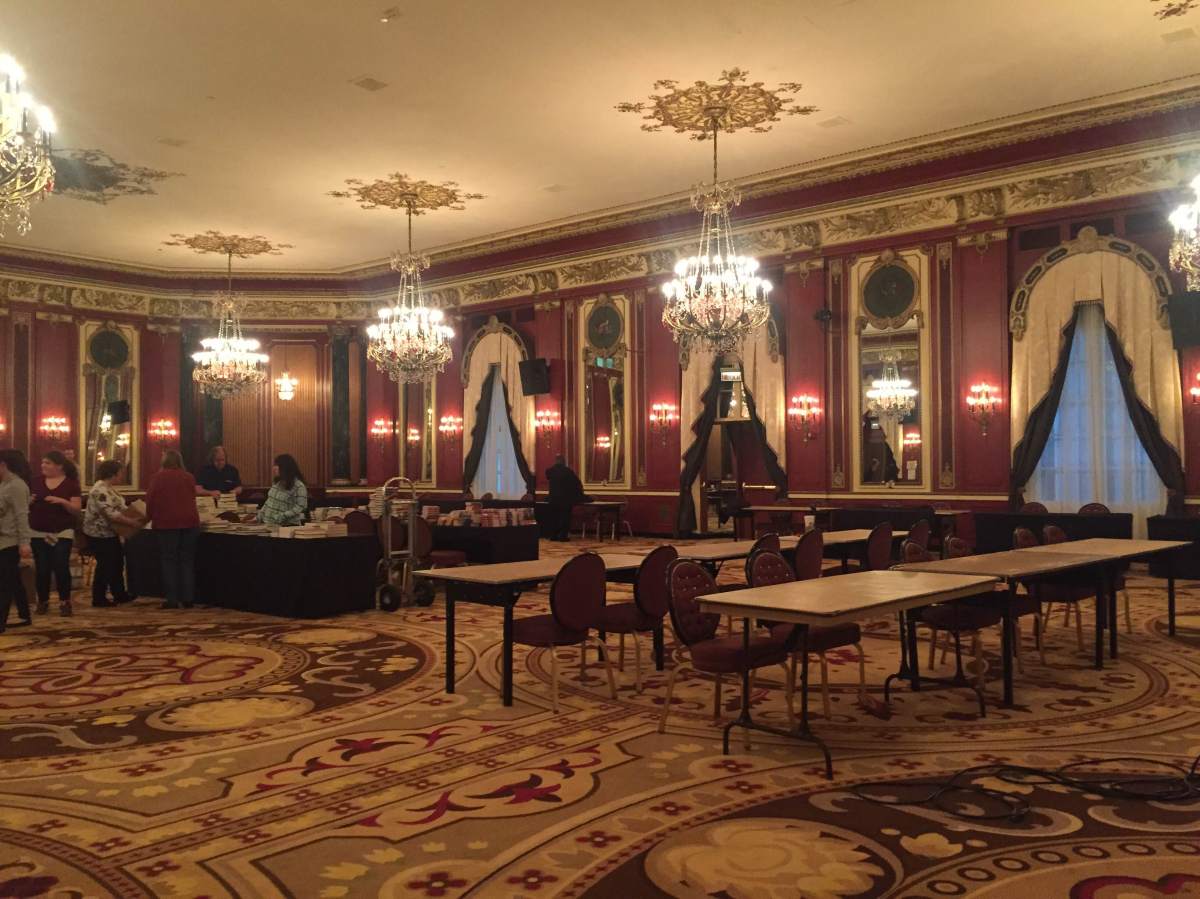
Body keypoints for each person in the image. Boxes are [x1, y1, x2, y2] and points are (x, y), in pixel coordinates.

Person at [145, 450, 200, 610]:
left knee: (169, 561)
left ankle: (172, 599)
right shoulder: (189, 477)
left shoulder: (157, 478)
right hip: (190, 522)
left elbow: (150, 500)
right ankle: (188, 598)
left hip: (167, 524)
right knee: (187, 561)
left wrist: (149, 517)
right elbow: (193, 497)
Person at [29, 450, 82, 617]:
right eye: (43, 462)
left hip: (62, 531)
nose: (43, 465)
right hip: (38, 531)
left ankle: (65, 602)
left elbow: (76, 510)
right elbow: (24, 504)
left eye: (48, 463)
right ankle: (43, 601)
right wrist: (28, 501)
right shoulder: (35, 482)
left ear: (59, 466)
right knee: (42, 568)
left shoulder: (71, 484)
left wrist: (62, 501)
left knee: (61, 566)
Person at [82, 459, 135, 608]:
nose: (122, 476)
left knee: (117, 562)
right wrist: (132, 522)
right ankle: (98, 598)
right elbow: (110, 513)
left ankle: (120, 594)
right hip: (99, 534)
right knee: (105, 565)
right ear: (113, 474)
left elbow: (120, 507)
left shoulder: (109, 488)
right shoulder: (99, 490)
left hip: (110, 533)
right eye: (120, 473)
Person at [0, 449, 33, 633]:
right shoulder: (4, 484)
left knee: (4, 582)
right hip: (3, 539)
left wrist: (24, 542)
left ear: (3, 465)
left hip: (10, 540)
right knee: (12, 579)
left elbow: (22, 516)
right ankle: (24, 614)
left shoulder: (16, 486)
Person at [257, 454, 308, 526]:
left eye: (277, 465)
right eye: (274, 465)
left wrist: (282, 516)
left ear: (286, 467)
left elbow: (301, 507)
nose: (274, 468)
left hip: (288, 526)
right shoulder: (277, 483)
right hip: (269, 524)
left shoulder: (299, 486)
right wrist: (259, 516)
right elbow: (268, 502)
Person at [545, 454, 586, 541]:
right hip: (565, 499)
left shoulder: (549, 471)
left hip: (553, 498)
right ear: (564, 461)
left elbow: (548, 477)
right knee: (565, 518)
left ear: (556, 461)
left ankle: (553, 536)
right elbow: (577, 484)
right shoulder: (568, 471)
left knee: (554, 518)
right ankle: (563, 536)